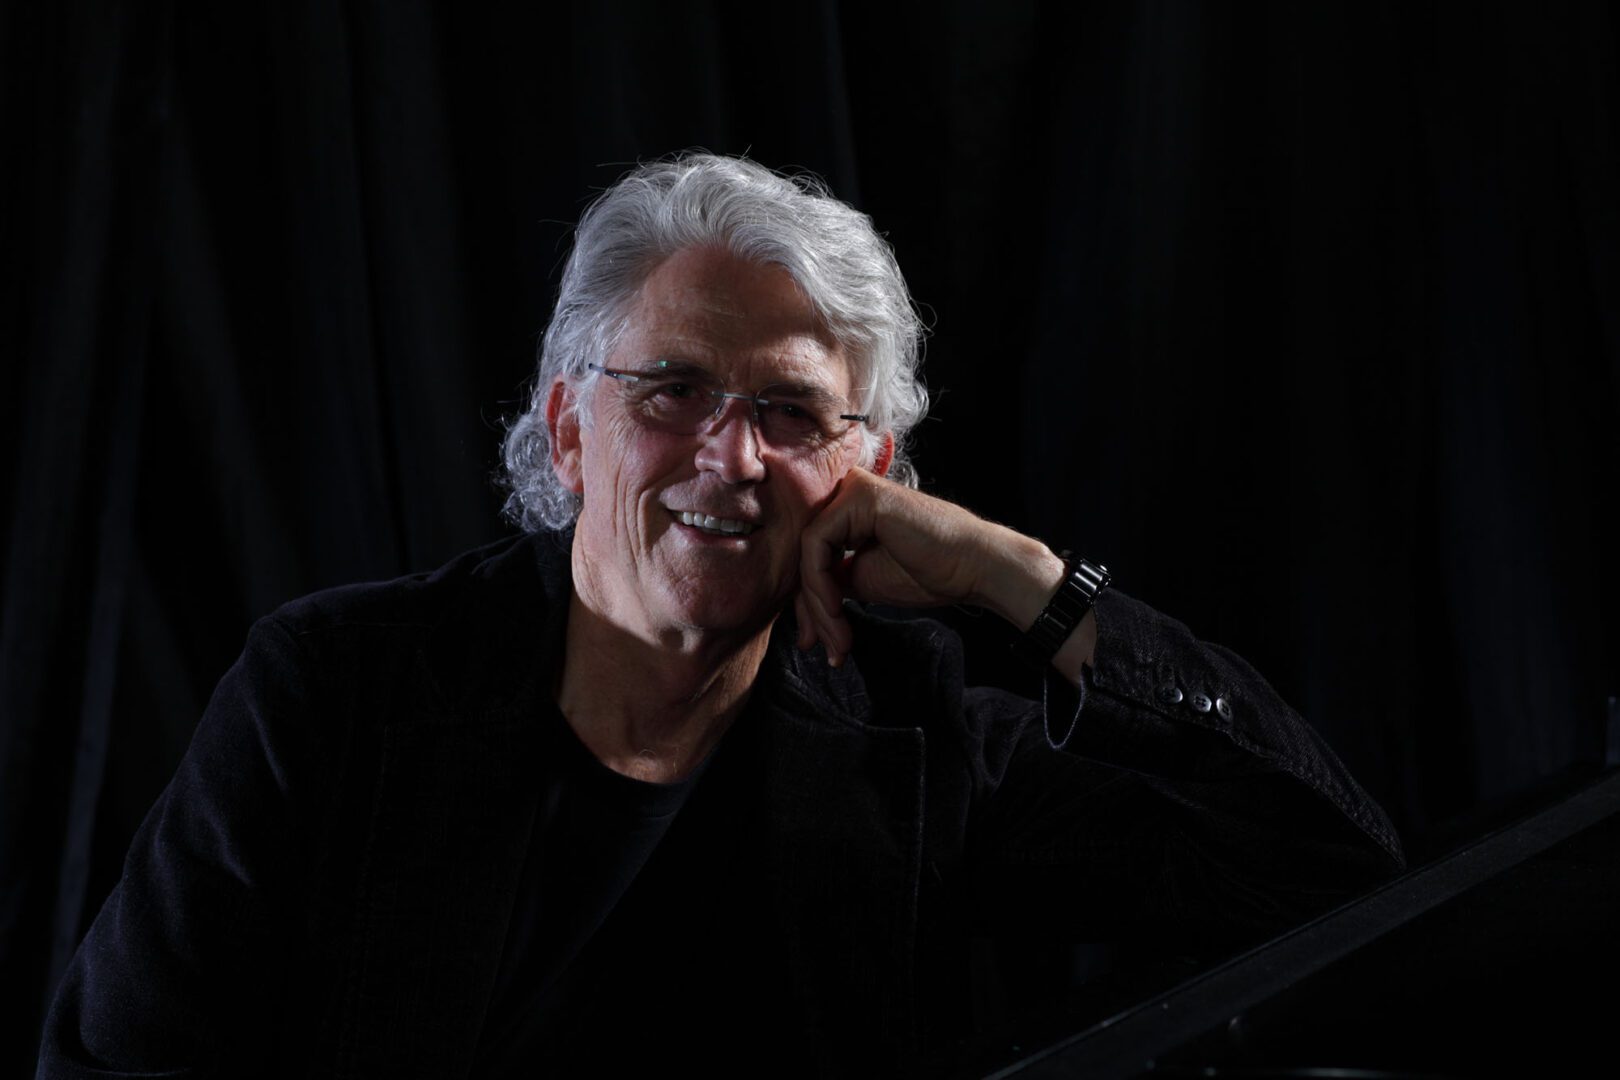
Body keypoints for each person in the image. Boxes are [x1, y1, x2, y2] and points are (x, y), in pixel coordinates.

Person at [37, 153, 1403, 1078]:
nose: (730, 458)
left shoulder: (911, 736)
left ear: (865, 476)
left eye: (791, 412)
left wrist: (1020, 578)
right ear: (570, 434)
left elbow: (1329, 873)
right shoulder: (335, 694)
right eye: (672, 392)